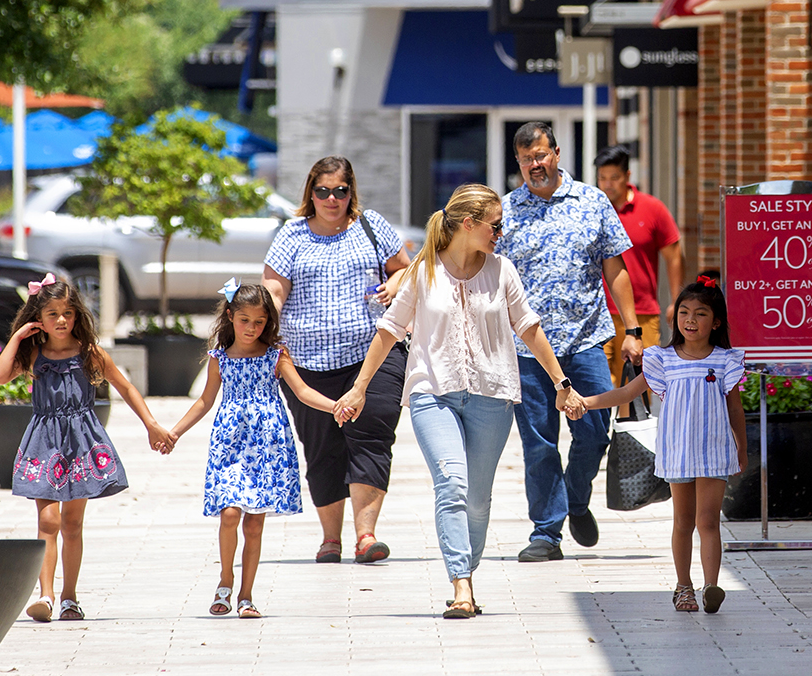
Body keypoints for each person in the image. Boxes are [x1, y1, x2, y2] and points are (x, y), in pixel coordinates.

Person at [331, 184, 582, 619]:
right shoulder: (422, 271)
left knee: (478, 500)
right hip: (434, 392)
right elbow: (389, 330)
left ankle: (467, 568)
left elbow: (529, 328)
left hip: (492, 395)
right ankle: (461, 585)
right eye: (495, 225)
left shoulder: (502, 270)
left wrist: (562, 382)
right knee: (453, 485)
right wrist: (360, 387)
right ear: (469, 224)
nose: (500, 232)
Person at [0, 273, 174, 623]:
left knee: (72, 523)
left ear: (76, 315)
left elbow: (126, 387)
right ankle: (44, 596)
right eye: (52, 314)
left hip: (80, 444)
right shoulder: (34, 354)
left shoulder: (89, 353)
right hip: (45, 442)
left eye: (68, 313)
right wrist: (17, 336)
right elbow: (0, 376)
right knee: (48, 520)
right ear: (38, 320)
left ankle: (69, 597)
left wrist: (151, 424)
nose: (61, 320)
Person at [499, 120, 640, 561]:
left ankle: (576, 500)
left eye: (540, 155)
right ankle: (546, 532)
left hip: (585, 341)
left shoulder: (592, 202)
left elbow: (615, 269)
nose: (534, 165)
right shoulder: (506, 212)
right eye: (525, 159)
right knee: (539, 442)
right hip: (526, 350)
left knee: (595, 431)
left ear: (557, 153)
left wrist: (632, 329)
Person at [261, 156, 411, 565]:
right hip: (307, 361)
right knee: (322, 447)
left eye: (340, 191)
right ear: (311, 193)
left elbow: (407, 270)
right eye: (323, 191)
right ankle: (331, 539)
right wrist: (264, 332)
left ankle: (366, 536)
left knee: (372, 436)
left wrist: (394, 283)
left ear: (351, 192)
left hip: (373, 354)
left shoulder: (370, 225)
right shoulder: (291, 235)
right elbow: (273, 291)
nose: (332, 199)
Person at [575, 276, 746, 615]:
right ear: (675, 318)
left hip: (714, 450)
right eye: (684, 313)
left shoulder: (726, 360)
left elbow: (735, 408)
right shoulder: (663, 360)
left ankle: (711, 586)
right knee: (683, 520)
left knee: (709, 520)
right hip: (679, 452)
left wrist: (741, 447)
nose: (691, 321)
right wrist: (585, 402)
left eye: (700, 314)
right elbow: (625, 393)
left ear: (717, 322)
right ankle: (684, 587)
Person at [167, 278, 337, 619]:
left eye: (259, 322)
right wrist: (174, 433)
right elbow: (204, 402)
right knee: (230, 513)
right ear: (231, 316)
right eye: (245, 320)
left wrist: (336, 407)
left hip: (268, 444)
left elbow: (302, 392)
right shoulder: (219, 358)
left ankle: (246, 595)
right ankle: (226, 578)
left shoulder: (276, 355)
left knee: (255, 523)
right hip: (230, 442)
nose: (252, 328)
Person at [592, 146, 684, 395]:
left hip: (642, 313)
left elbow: (674, 255)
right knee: (597, 386)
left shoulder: (652, 209)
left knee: (643, 388)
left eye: (614, 178)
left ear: (628, 175)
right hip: (597, 316)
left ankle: (632, 435)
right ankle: (604, 435)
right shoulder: (591, 210)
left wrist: (676, 302)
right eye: (602, 178)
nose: (607, 185)